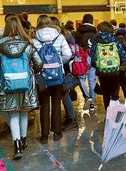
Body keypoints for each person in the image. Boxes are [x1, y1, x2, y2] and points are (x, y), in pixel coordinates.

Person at [0, 15, 43, 160]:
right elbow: (39, 64)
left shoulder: (0, 45)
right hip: (26, 83)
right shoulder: (28, 43)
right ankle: (24, 139)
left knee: (13, 113)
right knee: (24, 112)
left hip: (8, 84)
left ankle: (17, 146)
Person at [33, 14, 72, 144]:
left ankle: (44, 136)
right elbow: (68, 54)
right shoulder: (59, 36)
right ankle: (57, 133)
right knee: (56, 103)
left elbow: (32, 58)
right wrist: (59, 63)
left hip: (42, 77)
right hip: (57, 75)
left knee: (44, 105)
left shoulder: (34, 39)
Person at [90, 21, 126, 110]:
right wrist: (122, 64)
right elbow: (122, 54)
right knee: (115, 93)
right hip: (115, 71)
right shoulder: (115, 40)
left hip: (102, 72)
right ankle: (115, 114)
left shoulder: (96, 41)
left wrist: (97, 66)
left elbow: (93, 57)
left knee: (106, 94)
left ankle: (108, 115)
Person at [50, 16, 78, 131]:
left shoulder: (59, 37)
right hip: (69, 68)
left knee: (63, 93)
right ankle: (69, 117)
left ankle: (72, 119)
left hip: (64, 69)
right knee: (63, 93)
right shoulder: (66, 34)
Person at [73, 13, 98, 111]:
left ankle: (87, 96)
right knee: (92, 82)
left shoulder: (77, 33)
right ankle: (92, 104)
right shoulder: (95, 33)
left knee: (81, 78)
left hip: (81, 58)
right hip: (92, 57)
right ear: (92, 21)